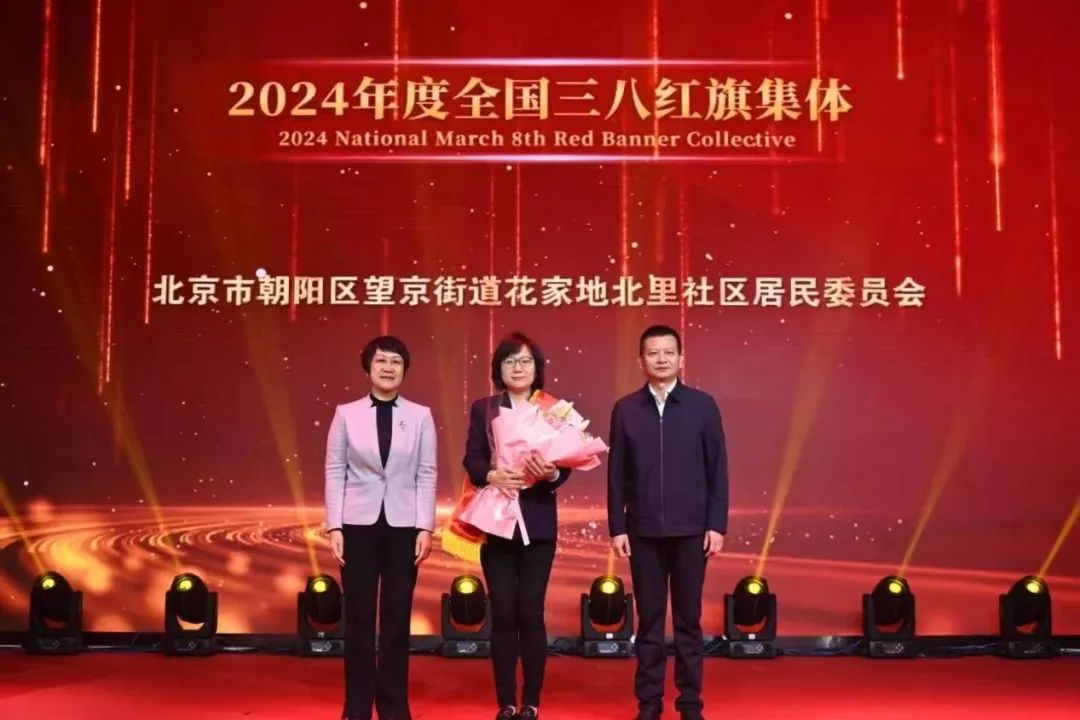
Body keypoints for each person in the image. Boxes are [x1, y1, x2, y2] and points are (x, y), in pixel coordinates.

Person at [607, 325, 729, 720]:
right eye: (653, 353)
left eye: (668, 352)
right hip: (642, 531)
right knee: (650, 622)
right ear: (640, 361)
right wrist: (617, 526)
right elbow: (616, 473)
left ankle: (690, 703)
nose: (661, 359)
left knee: (688, 621)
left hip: (692, 531)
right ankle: (649, 703)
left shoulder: (702, 406)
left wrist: (716, 524)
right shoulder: (626, 409)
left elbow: (718, 469)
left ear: (680, 358)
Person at [325, 336, 437, 720]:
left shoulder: (420, 416)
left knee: (396, 617)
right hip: (357, 525)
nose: (388, 368)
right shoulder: (346, 414)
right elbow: (335, 470)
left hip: (404, 527)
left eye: (395, 362)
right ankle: (356, 707)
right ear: (368, 367)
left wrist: (425, 527)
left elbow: (427, 473)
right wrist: (334, 526)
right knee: (358, 617)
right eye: (381, 361)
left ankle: (393, 707)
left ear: (405, 369)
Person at [464, 332, 571, 720]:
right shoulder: (484, 408)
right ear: (499, 369)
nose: (518, 368)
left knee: (530, 612)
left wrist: (552, 472)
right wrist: (491, 474)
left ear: (537, 369)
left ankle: (532, 702)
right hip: (497, 522)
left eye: (525, 361)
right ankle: (506, 702)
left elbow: (567, 464)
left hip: (538, 523)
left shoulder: (554, 410)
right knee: (504, 612)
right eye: (510, 361)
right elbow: (473, 458)